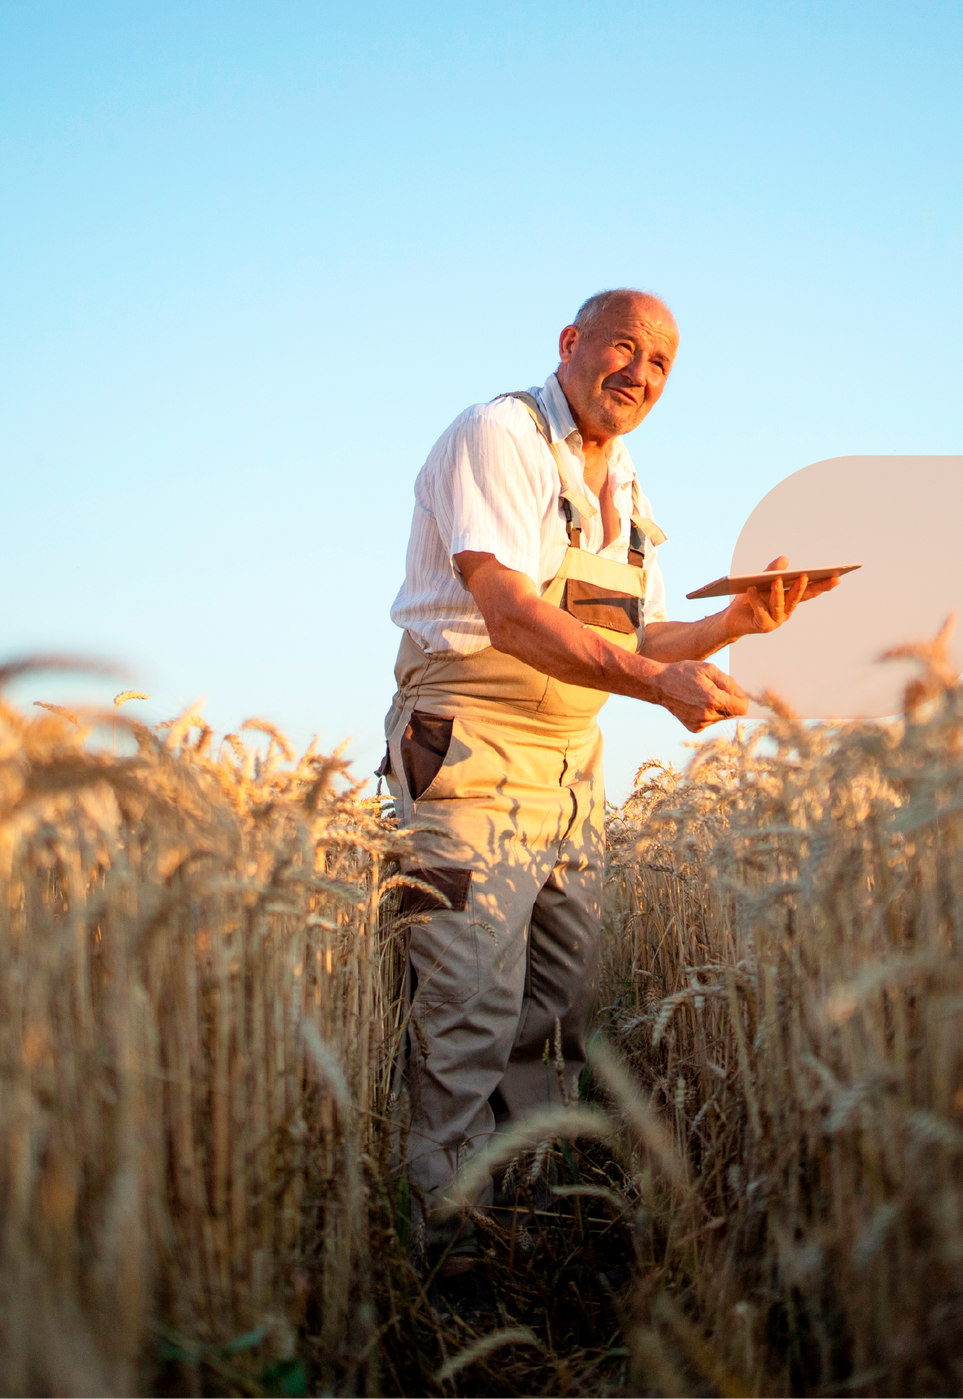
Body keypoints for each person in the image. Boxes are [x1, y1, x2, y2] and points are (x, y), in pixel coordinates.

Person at [381, 287, 841, 1288]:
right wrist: (654, 683)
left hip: (569, 763)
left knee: (557, 1002)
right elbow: (504, 611)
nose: (638, 373)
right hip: (468, 746)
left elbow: (636, 637)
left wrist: (733, 628)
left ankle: (529, 1238)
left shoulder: (623, 477)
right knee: (464, 1004)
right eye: (621, 348)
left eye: (660, 364)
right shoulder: (498, 436)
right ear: (569, 345)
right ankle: (447, 1271)